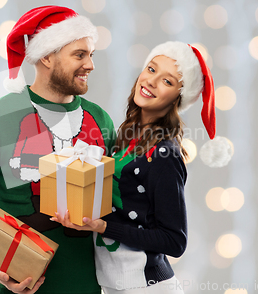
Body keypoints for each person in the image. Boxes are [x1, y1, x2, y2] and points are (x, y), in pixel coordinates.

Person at [0, 5, 115, 294]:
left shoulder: (100, 120)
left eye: (91, 55)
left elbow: (115, 203)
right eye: (79, 55)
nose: (90, 65)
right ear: (46, 56)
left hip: (86, 286)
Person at [52, 41, 228, 293]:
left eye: (168, 81)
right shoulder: (124, 137)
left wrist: (102, 226)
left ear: (179, 96)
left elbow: (175, 240)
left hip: (146, 286)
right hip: (113, 283)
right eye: (151, 69)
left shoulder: (164, 154)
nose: (152, 81)